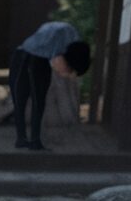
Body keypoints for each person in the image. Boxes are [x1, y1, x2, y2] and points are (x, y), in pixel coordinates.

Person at [10, 21, 91, 150]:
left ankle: (26, 139)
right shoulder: (64, 39)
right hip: (32, 54)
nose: (65, 74)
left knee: (25, 99)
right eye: (69, 71)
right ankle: (30, 139)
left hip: (29, 52)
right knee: (32, 99)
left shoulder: (67, 39)